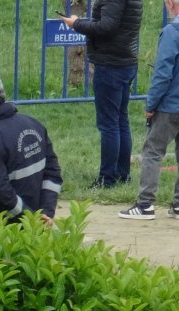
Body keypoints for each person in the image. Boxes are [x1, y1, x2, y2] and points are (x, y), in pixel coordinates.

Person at [119, 0, 179, 221]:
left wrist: (151, 104)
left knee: (153, 151)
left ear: (170, 3)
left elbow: (163, 73)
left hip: (172, 102)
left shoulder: (172, 31)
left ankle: (145, 204)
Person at [61, 0, 143, 189]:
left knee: (109, 124)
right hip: (124, 60)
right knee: (121, 120)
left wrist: (77, 24)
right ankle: (122, 174)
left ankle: (107, 179)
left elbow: (107, 27)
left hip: (111, 64)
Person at [0, 72, 61, 224]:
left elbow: (0, 193)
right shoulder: (34, 124)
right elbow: (52, 173)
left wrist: (31, 218)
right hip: (38, 222)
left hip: (4, 229)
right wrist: (45, 213)